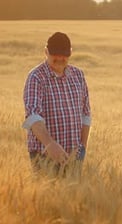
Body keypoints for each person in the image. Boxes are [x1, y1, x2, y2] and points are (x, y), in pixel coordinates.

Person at [22, 32, 91, 178]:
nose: (60, 58)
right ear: (46, 52)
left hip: (73, 157)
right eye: (55, 54)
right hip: (44, 157)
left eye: (64, 55)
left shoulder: (78, 75)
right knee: (46, 199)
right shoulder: (36, 77)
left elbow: (86, 114)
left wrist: (83, 147)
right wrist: (50, 145)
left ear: (70, 53)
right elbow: (33, 116)